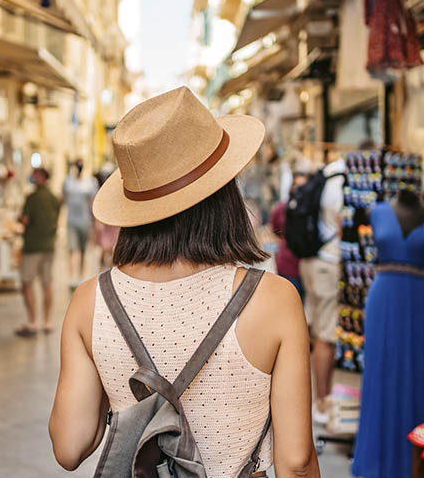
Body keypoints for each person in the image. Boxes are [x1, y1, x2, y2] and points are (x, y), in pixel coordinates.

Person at [49, 87, 320, 477]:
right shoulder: (272, 299)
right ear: (224, 192)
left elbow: (69, 446)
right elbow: (296, 463)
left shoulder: (92, 300)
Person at [298, 154, 346, 424]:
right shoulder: (340, 184)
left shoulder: (324, 176)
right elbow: (341, 226)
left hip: (313, 262)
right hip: (328, 263)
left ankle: (320, 399)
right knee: (325, 335)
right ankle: (322, 403)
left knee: (317, 331)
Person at [17, 167, 61, 336]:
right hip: (49, 245)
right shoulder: (54, 198)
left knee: (27, 283)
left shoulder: (32, 198)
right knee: (47, 283)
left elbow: (25, 220)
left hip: (32, 246)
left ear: (40, 177)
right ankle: (47, 321)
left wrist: (19, 219)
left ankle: (33, 321)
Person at [269, 172, 308, 301]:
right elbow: (274, 228)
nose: (299, 190)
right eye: (296, 185)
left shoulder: (312, 209)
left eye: (303, 186)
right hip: (288, 264)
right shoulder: (282, 208)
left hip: (307, 265)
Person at [62, 159, 98, 287]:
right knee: (72, 249)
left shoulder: (90, 183)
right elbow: (63, 199)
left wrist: (95, 222)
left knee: (82, 250)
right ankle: (72, 276)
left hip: (85, 221)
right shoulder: (68, 182)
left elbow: (92, 202)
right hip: (72, 221)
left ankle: (81, 276)